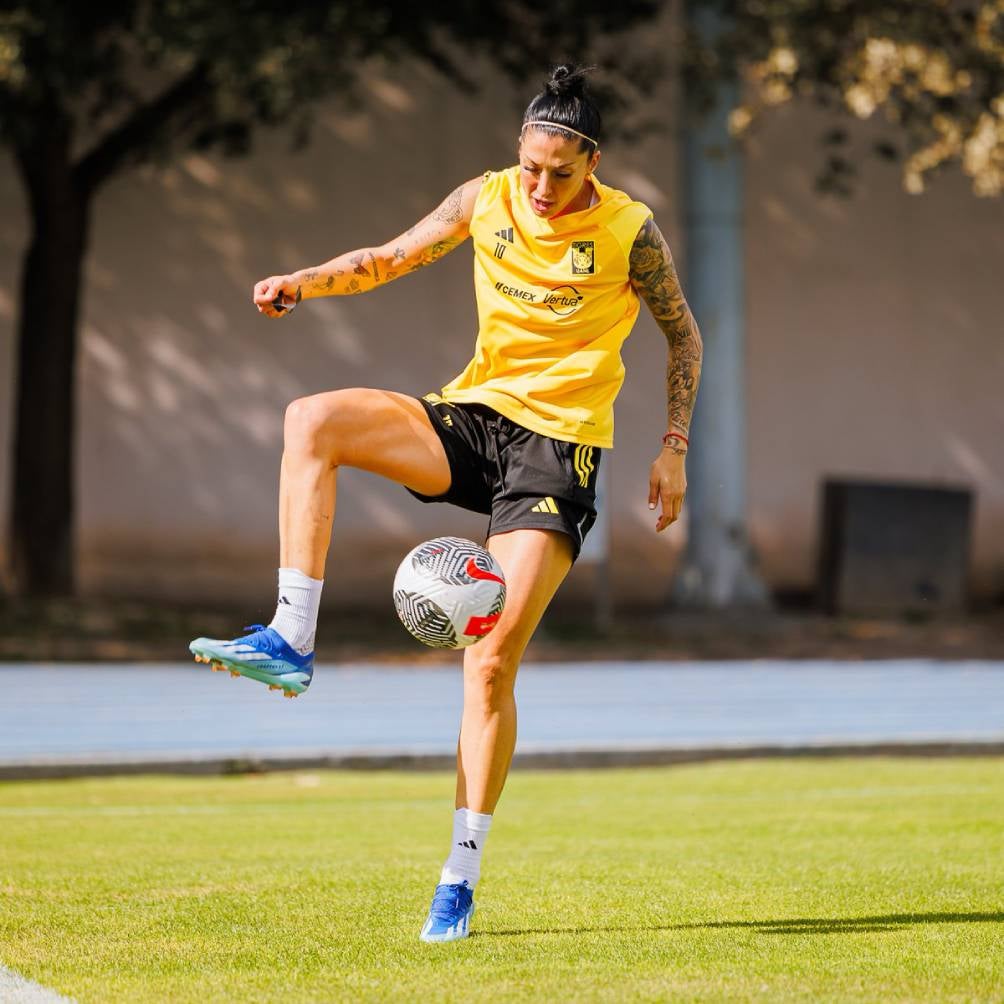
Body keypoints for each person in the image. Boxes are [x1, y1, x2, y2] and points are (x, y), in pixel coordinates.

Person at [189, 63, 702, 942]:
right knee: (312, 420)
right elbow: (389, 259)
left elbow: (682, 333)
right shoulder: (485, 198)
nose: (540, 187)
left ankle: (459, 877)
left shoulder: (630, 231)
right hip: (473, 419)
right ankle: (291, 635)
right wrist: (301, 282)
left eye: (561, 172)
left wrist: (673, 447)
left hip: (556, 453)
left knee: (489, 664)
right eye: (530, 166)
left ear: (593, 163)